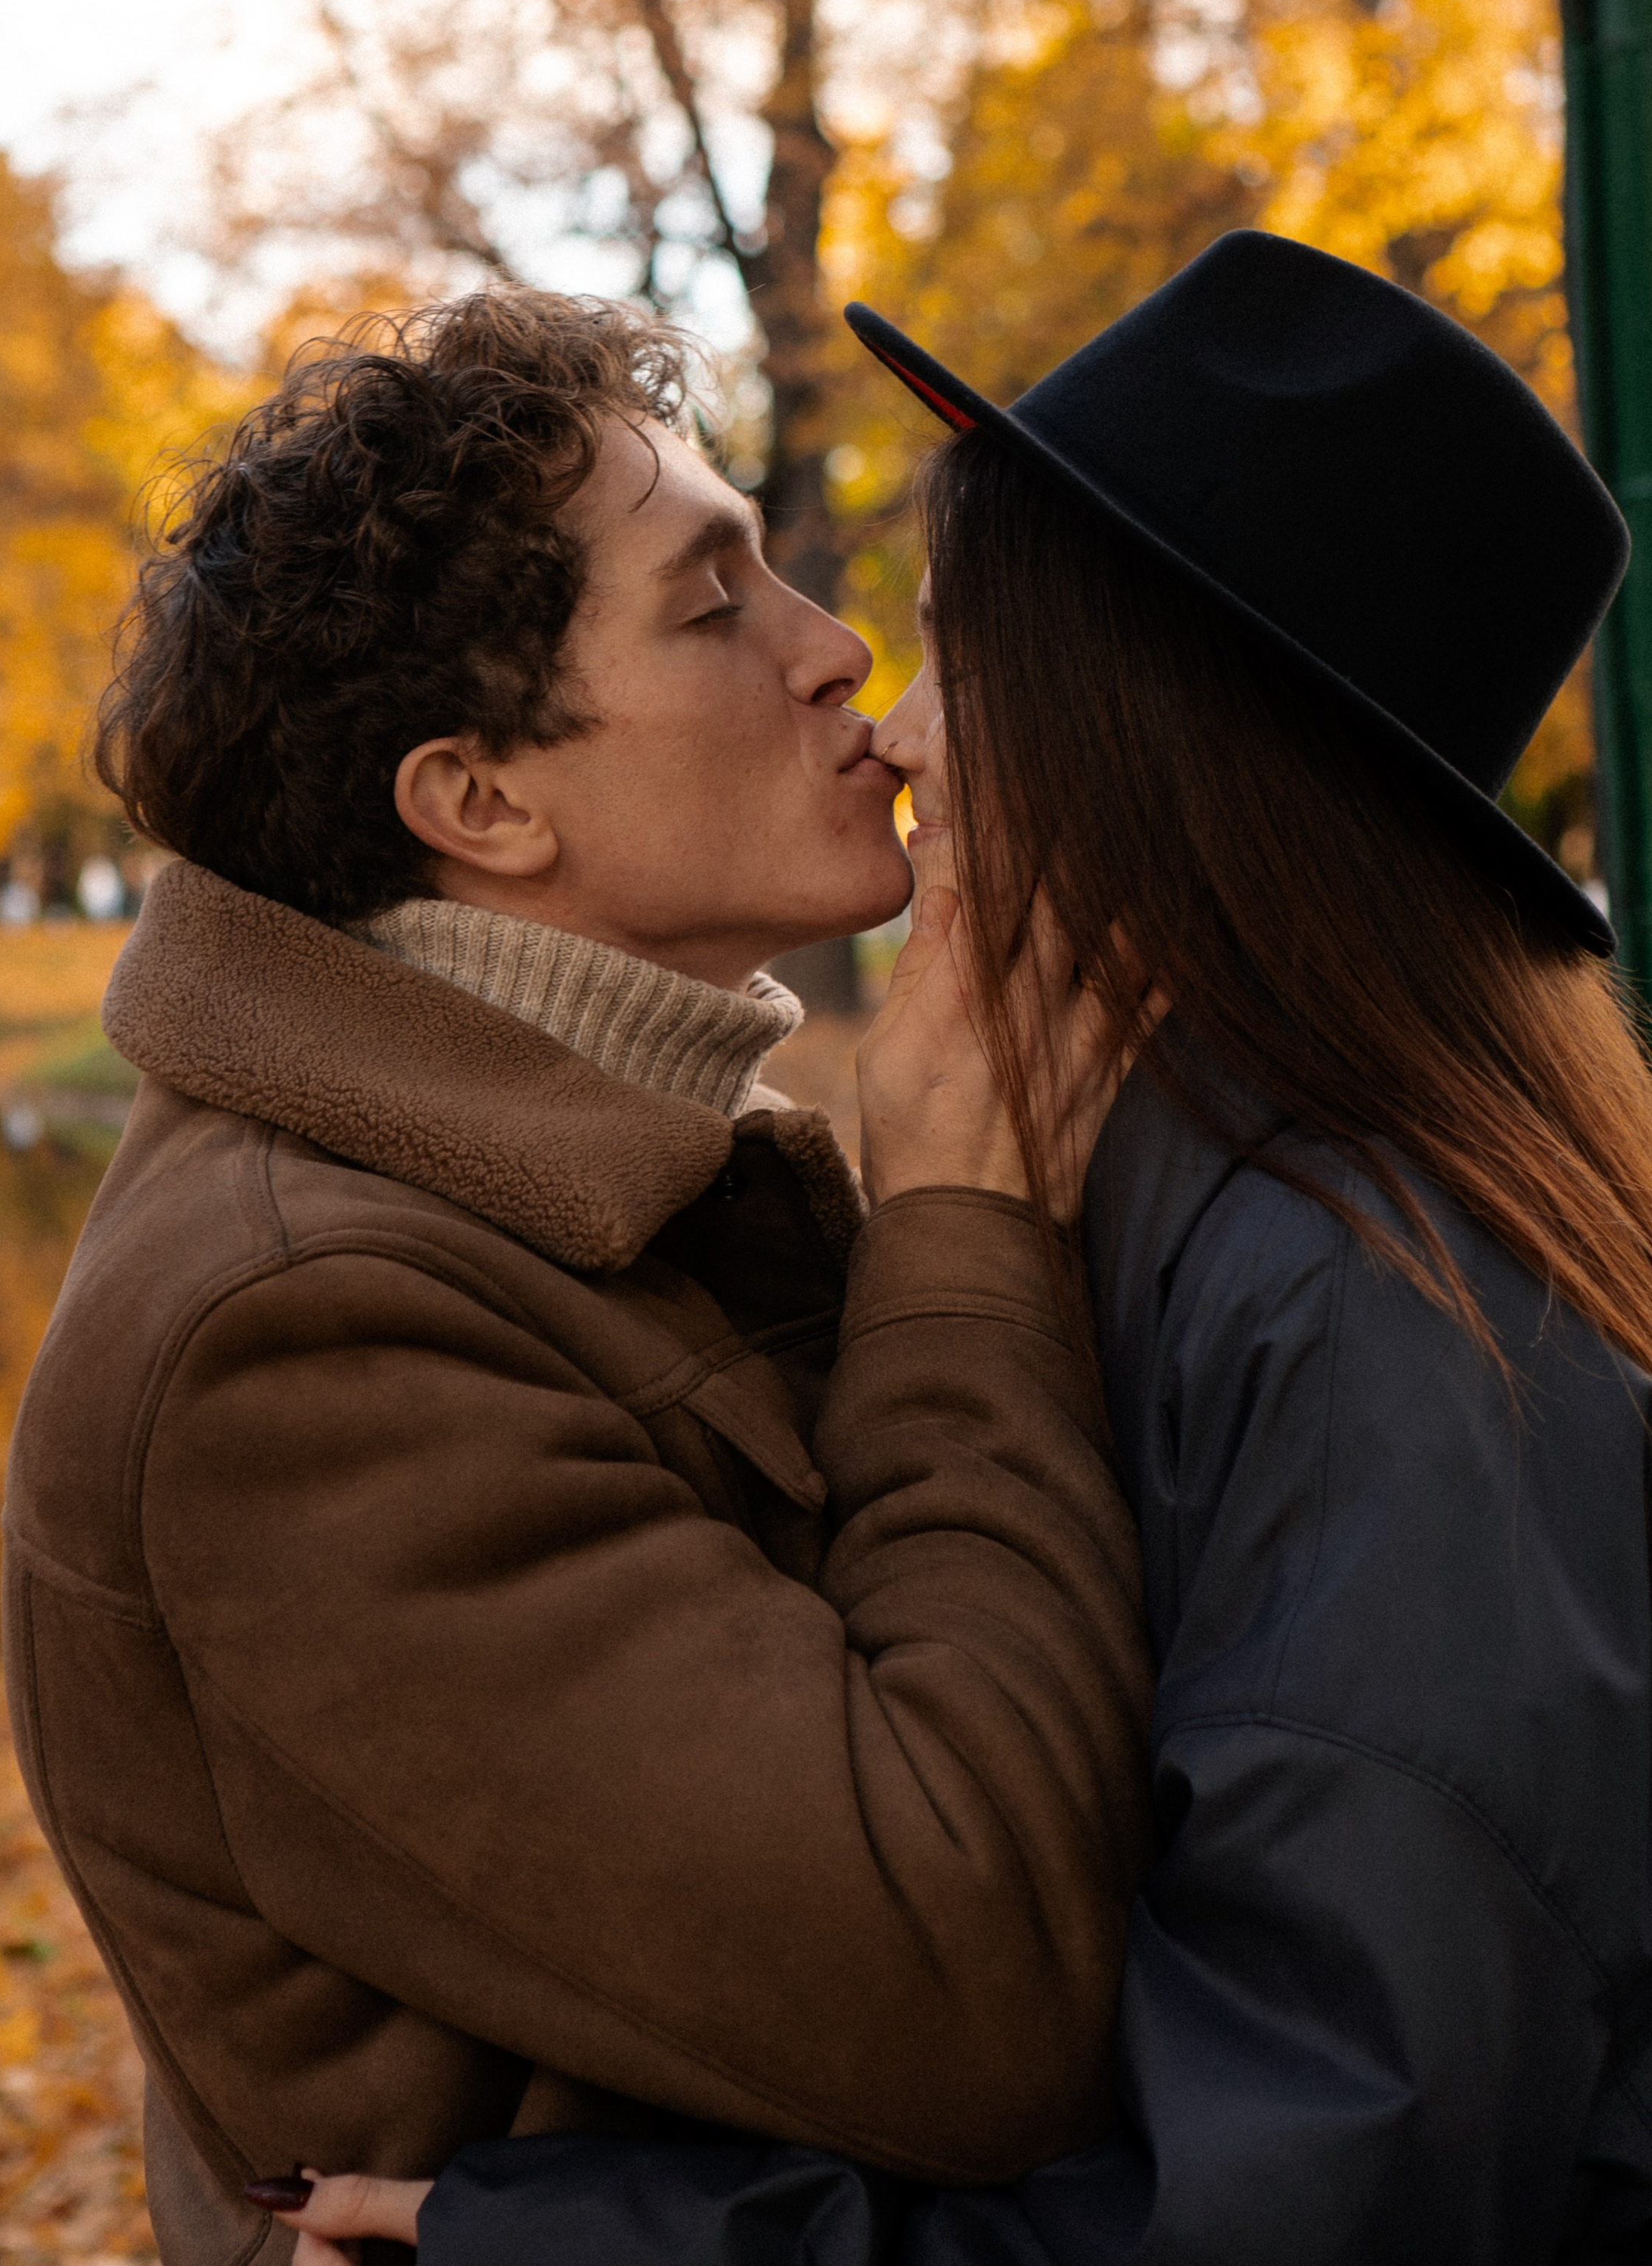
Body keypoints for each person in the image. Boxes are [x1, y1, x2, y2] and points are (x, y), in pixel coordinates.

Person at [291, 232, 1652, 2264]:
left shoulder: (1372, 1318)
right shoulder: (1193, 1193)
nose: (897, 722)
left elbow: (1316, 2203)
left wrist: (570, 2242)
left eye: (956, 651)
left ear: (1141, 729)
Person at [2, 288, 1156, 2266]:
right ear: (481, 804)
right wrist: (965, 1233)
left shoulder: (578, 1180)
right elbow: (965, 1982)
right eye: (717, 607)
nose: (838, 653)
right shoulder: (297, 1341)